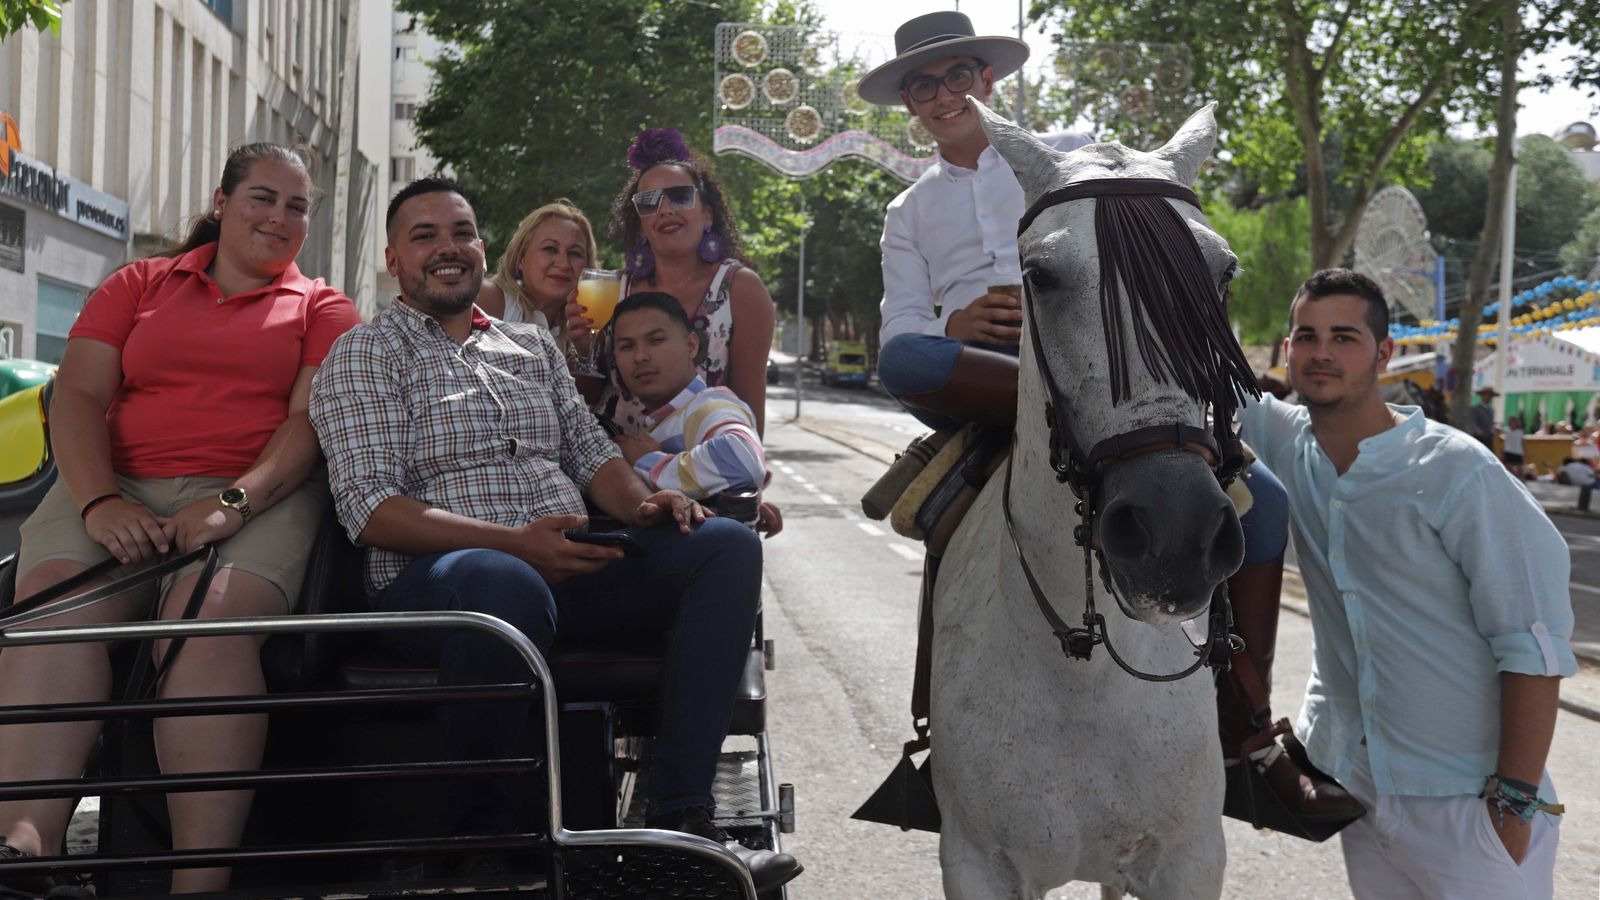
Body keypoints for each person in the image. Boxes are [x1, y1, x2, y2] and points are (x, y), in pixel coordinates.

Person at [858, 10, 1347, 819]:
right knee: (909, 369)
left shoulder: (1080, 154)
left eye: (957, 75)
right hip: (987, 379)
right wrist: (956, 326)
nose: (944, 93)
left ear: (988, 79)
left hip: (1104, 378)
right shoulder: (908, 212)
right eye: (923, 83)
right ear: (908, 101)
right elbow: (900, 334)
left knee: (1267, 515)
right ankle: (937, 724)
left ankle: (1248, 735)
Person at [308, 178, 802, 894]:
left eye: (462, 232)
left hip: (569, 560)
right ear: (394, 259)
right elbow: (371, 508)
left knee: (725, 545)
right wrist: (518, 546)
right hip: (444, 583)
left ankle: (681, 822)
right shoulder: (364, 354)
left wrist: (643, 504)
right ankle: (492, 842)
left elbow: (593, 455)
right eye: (425, 236)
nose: (448, 248)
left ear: (482, 249)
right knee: (499, 581)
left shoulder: (528, 347)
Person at [0, 142, 360, 895]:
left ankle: (199, 882)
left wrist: (232, 503)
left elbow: (307, 423)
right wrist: (101, 502)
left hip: (256, 491)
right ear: (222, 201)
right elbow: (80, 398)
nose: (280, 217)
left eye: (298, 206)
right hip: (114, 480)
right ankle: (24, 846)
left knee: (205, 638)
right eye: (263, 197)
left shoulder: (323, 307)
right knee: (55, 617)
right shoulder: (137, 282)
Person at [1239, 269, 1574, 898]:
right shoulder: (1288, 445)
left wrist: (1514, 805)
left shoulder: (1458, 471)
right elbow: (1200, 375)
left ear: (1384, 353)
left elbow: (1535, 646)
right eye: (1306, 337)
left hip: (1469, 801)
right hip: (1362, 787)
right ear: (1287, 351)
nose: (1322, 353)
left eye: (1344, 337)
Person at [591, 128, 776, 438]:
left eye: (679, 197)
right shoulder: (611, 291)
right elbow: (587, 397)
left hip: (702, 475)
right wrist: (582, 347)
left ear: (707, 215)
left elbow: (747, 420)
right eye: (649, 202)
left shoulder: (740, 289)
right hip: (615, 472)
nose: (665, 209)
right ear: (640, 224)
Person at [608, 292, 767, 503]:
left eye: (656, 340)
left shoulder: (710, 407)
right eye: (627, 346)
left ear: (691, 346)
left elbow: (743, 460)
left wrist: (648, 462)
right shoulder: (669, 417)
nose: (640, 356)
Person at [475, 200, 598, 333]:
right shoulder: (489, 299)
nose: (564, 264)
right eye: (550, 249)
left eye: (575, 253)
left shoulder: (579, 332)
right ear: (521, 258)